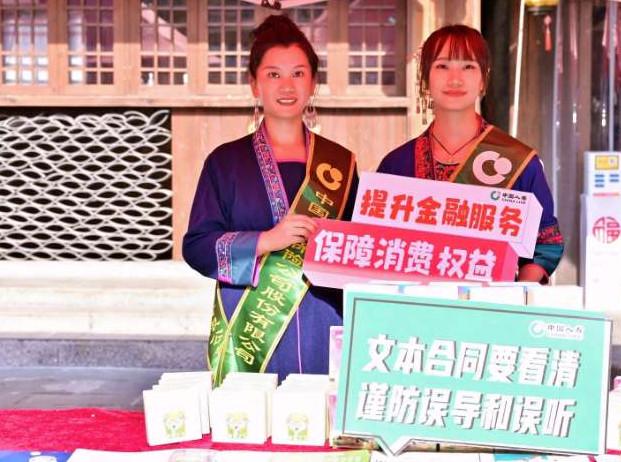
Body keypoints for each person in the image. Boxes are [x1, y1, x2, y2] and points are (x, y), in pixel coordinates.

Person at [183, 15, 358, 384]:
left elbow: (359, 247)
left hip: (323, 320)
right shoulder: (225, 162)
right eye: (273, 74)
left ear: (313, 83)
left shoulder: (341, 164)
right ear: (254, 84)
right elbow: (197, 246)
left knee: (320, 414)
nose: (287, 86)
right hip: (252, 326)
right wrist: (266, 240)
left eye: (298, 73)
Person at [377, 24, 564, 283]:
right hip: (413, 305)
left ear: (483, 79)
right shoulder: (396, 165)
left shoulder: (519, 163)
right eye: (442, 66)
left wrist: (518, 294)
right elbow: (374, 245)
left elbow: (545, 243)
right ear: (425, 78)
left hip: (492, 305)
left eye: (468, 66)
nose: (455, 79)